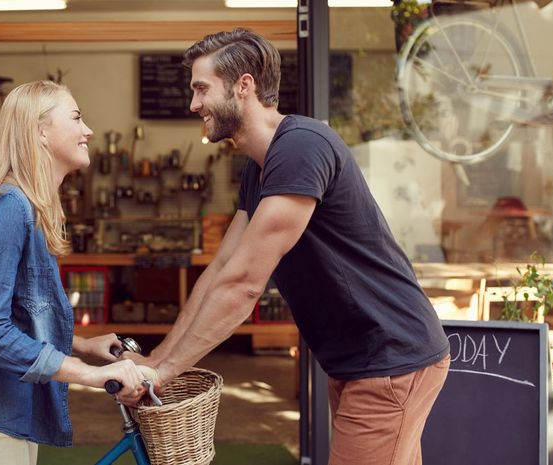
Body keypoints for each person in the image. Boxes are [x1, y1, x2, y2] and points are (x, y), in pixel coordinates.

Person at [124, 29, 450, 465]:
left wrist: (163, 372)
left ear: (244, 85)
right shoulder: (259, 169)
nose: (193, 104)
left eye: (202, 89)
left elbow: (243, 284)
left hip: (389, 358)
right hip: (359, 360)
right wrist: (158, 360)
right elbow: (222, 269)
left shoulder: (301, 146)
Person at [0, 80, 152, 465]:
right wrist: (86, 373)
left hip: (4, 418)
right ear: (41, 131)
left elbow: (18, 315)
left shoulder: (27, 210)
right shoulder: (8, 209)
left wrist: (83, 344)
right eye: (77, 118)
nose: (88, 131)